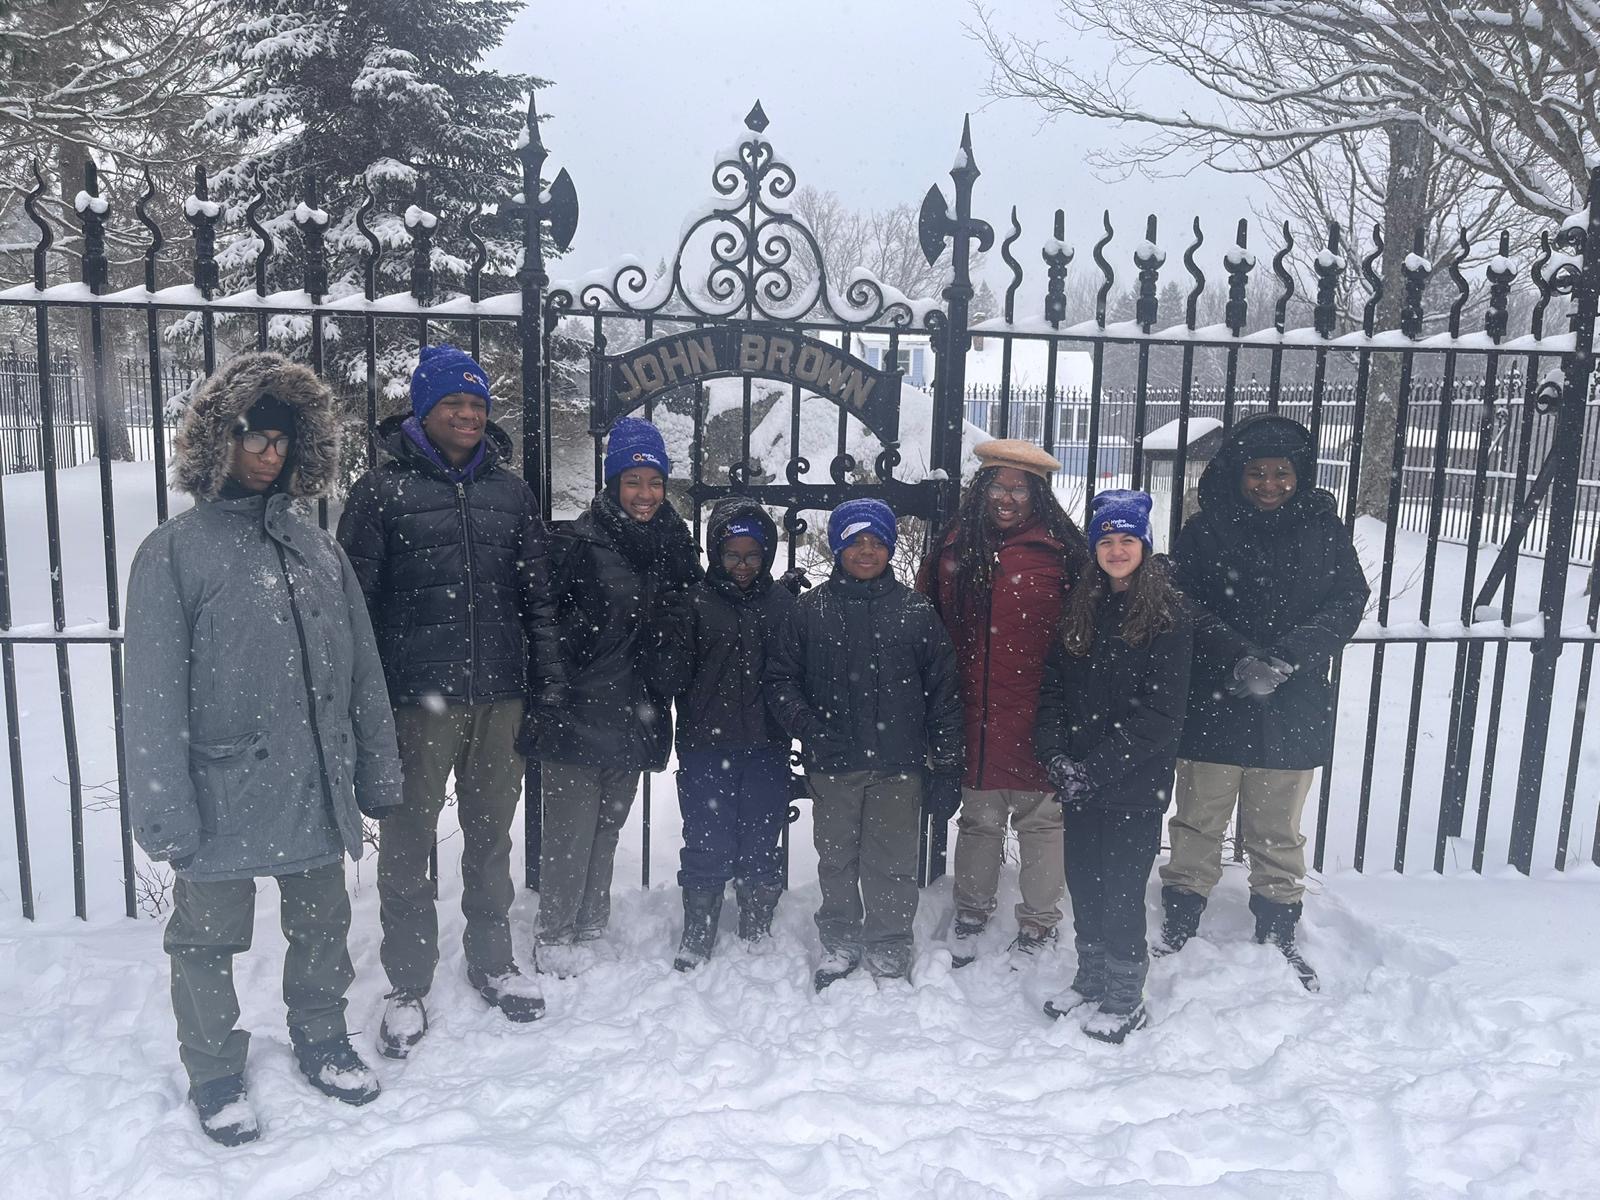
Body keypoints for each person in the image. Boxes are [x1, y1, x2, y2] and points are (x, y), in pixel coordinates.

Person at [124, 351, 403, 1145]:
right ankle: (214, 1072)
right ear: (221, 439)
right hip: (222, 793)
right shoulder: (175, 552)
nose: (268, 453)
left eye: (283, 439)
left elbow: (362, 665)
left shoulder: (318, 547)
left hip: (313, 784)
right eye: (253, 435)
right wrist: (165, 810)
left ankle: (321, 1038)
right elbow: (150, 699)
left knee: (321, 927)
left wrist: (376, 764)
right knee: (207, 940)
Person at [338, 344, 564, 1057]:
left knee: (491, 834)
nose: (467, 415)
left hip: (500, 694)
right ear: (424, 410)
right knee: (408, 842)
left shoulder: (511, 492)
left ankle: (493, 960)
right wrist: (361, 700)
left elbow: (538, 597)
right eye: (453, 404)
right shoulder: (380, 493)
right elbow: (356, 606)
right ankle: (407, 982)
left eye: (477, 404)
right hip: (415, 699)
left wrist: (547, 679)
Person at [1157, 414, 1369, 991]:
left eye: (1282, 472)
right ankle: (1181, 918)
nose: (1270, 484)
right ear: (1238, 473)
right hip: (1216, 697)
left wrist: (1287, 657)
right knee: (1200, 818)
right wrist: (1239, 655)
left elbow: (1348, 599)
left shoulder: (1325, 532)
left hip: (1293, 699)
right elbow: (1181, 597)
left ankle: (1277, 924)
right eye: (1257, 472)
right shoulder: (1206, 530)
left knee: (1278, 827)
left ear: (1300, 473)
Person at [524, 416, 700, 976]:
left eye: (654, 482)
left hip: (636, 709)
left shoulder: (676, 547)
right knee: (571, 831)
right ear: (612, 484)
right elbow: (545, 620)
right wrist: (556, 681)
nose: (645, 495)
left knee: (606, 827)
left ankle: (591, 923)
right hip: (580, 707)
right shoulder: (580, 544)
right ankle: (555, 930)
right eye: (633, 482)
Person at [766, 498, 963, 990]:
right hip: (834, 764)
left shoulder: (917, 613)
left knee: (893, 860)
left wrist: (948, 763)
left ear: (890, 548)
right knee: (837, 858)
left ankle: (890, 941)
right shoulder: (809, 612)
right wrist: (810, 729)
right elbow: (780, 681)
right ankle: (839, 937)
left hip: (899, 764)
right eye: (856, 540)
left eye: (876, 541)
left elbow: (944, 692)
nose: (867, 550)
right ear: (837, 546)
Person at [917, 438, 1088, 968]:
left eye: (1019, 486)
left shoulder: (1063, 551)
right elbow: (925, 621)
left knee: (1041, 822)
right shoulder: (952, 545)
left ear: (1037, 493)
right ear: (981, 487)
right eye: (998, 484)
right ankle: (971, 910)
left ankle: (1039, 921)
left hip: (1041, 709)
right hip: (974, 711)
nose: (1006, 496)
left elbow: (1085, 633)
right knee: (979, 819)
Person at [1034, 490, 1191, 1043]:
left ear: (1144, 546)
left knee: (1122, 891)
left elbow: (1160, 716)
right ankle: (1092, 976)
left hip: (1132, 784)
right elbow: (1051, 687)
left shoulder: (1166, 617)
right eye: (1106, 540)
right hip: (1079, 781)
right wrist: (1054, 754)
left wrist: (1093, 770)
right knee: (1085, 884)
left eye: (1127, 540)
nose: (1117, 549)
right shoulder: (1081, 607)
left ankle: (1126, 994)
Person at [654, 498, 797, 970]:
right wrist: (669, 623)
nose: (741, 565)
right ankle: (700, 921)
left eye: (752, 555)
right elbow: (670, 676)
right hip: (705, 745)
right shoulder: (695, 602)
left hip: (767, 744)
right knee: (707, 836)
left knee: (761, 833)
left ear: (767, 556)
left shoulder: (782, 604)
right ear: (716, 553)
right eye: (731, 554)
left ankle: (757, 915)